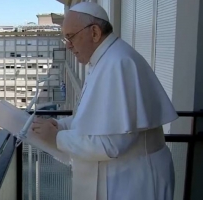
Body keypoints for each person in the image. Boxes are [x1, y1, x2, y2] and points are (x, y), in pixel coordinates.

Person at [31, 2, 178, 200]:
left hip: (133, 182)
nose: (68, 45)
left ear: (94, 33)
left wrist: (57, 138)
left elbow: (111, 144)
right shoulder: (103, 60)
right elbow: (94, 119)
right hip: (121, 177)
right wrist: (60, 125)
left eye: (71, 36)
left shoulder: (118, 63)